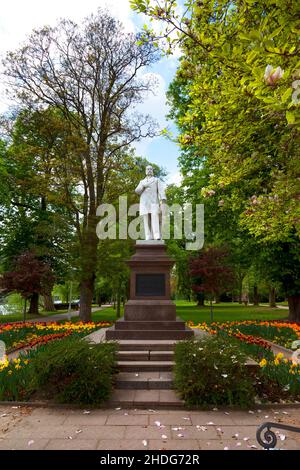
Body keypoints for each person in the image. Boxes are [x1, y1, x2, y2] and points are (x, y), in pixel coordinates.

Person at [135, 165, 166, 240]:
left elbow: (161, 190)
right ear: (145, 171)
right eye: (147, 169)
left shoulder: (156, 180)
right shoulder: (142, 182)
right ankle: (148, 235)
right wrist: (143, 185)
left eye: (150, 169)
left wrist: (163, 200)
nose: (149, 170)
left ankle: (156, 235)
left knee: (155, 216)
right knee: (146, 219)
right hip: (144, 202)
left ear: (152, 171)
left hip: (154, 202)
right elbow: (137, 191)